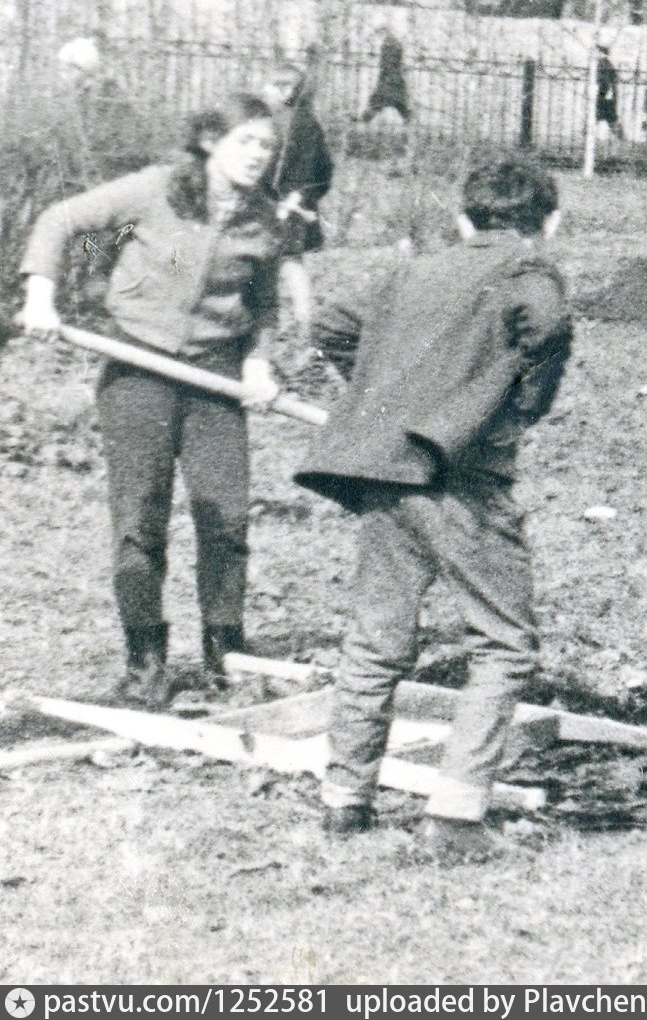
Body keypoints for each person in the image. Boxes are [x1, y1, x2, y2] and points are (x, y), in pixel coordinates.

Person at [296, 157, 574, 861]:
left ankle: (344, 801)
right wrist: (513, 408)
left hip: (386, 476)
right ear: (549, 222)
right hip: (461, 481)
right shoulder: (528, 272)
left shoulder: (411, 271)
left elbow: (330, 324)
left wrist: (387, 400)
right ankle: (454, 816)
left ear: (461, 218)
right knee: (504, 643)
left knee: (376, 638)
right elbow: (547, 325)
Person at [15, 95, 287, 707]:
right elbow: (61, 221)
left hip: (215, 374)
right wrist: (41, 297)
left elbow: (264, 303)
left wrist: (259, 360)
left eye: (266, 146)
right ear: (210, 141)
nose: (256, 155)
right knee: (140, 516)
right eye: (245, 141)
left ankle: (227, 656)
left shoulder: (264, 219)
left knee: (227, 517)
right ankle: (145, 662)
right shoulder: (153, 191)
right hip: (139, 366)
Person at [260, 65, 335, 332]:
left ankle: (287, 321)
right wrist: (309, 195)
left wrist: (274, 195)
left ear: (287, 91)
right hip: (298, 200)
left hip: (280, 201)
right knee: (291, 261)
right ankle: (302, 321)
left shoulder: (280, 122)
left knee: (282, 262)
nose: (265, 92)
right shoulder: (308, 121)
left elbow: (269, 167)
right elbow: (325, 168)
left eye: (271, 86)